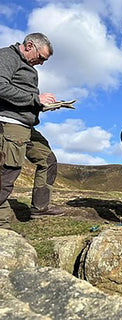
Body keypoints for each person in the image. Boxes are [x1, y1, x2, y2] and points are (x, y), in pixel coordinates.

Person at [0, 32, 64, 228]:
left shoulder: (28, 66)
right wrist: (36, 99)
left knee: (48, 160)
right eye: (42, 58)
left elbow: (23, 96)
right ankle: (2, 224)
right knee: (8, 172)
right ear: (29, 46)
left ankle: (40, 207)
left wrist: (42, 106)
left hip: (26, 126)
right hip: (9, 123)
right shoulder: (7, 56)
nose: (42, 63)